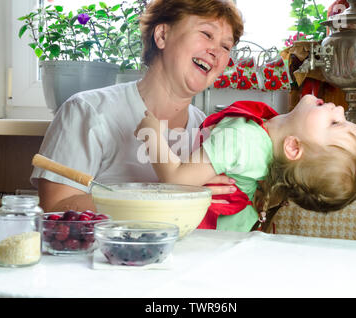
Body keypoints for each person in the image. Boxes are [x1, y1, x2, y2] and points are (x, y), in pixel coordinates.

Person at [30, 0, 245, 212]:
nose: (216, 51)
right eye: (207, 34)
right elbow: (54, 209)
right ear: (162, 35)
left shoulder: (209, 132)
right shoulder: (87, 111)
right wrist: (161, 198)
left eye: (226, 46)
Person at [135, 94, 356, 232]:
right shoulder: (264, 141)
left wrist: (152, 134)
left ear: (293, 147)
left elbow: (175, 179)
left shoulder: (244, 140)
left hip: (196, 240)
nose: (340, 109)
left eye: (335, 123)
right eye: (344, 119)